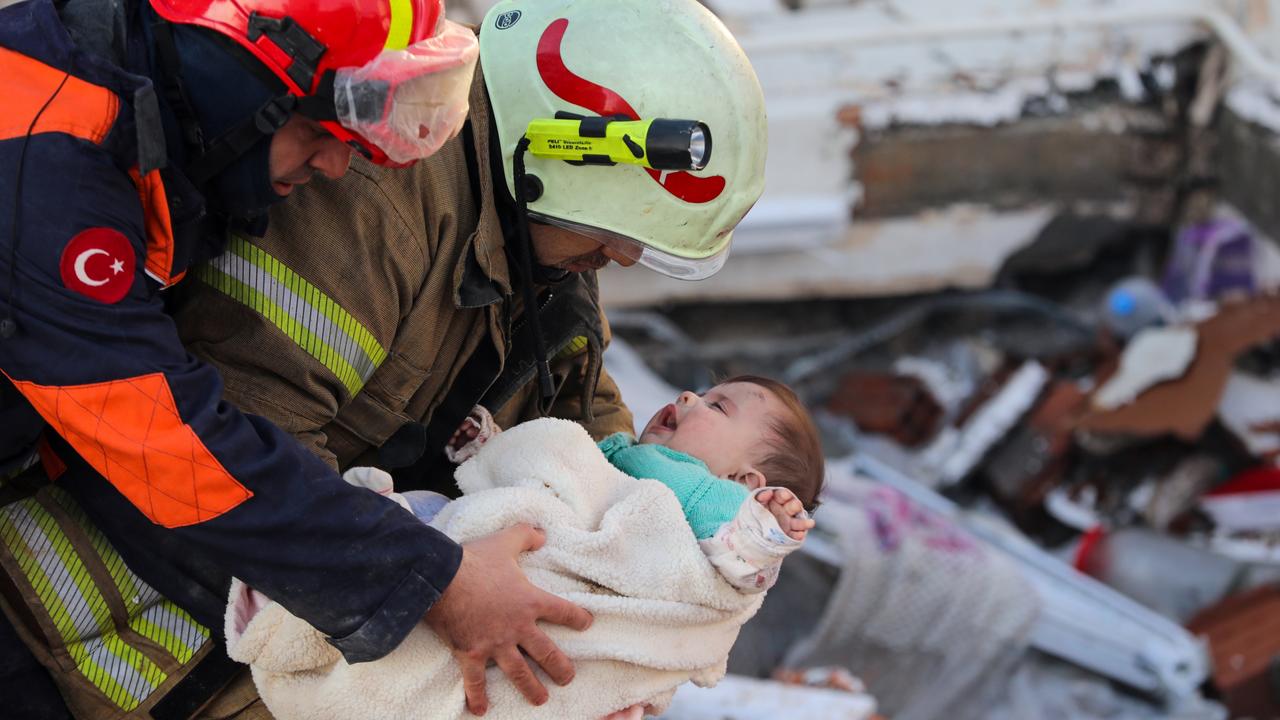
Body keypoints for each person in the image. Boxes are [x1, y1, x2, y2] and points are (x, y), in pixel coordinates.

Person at [167, 0, 768, 714]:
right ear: (563, 149)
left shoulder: (544, 226)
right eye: (615, 237)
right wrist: (440, 582)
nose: (625, 257)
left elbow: (582, 417)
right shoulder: (376, 202)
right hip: (139, 647)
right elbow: (237, 443)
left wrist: (666, 573)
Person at [0, 0, 596, 717]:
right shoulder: (48, 168)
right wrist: (433, 582)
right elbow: (166, 444)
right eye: (315, 127)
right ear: (228, 75)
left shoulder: (136, 115)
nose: (337, 163)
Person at [225, 377, 825, 719]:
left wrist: (765, 529)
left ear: (748, 482)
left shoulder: (711, 500)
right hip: (528, 551)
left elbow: (740, 566)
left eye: (717, 407)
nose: (691, 397)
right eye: (701, 390)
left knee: (439, 547)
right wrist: (495, 447)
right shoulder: (623, 458)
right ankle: (354, 553)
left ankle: (302, 604)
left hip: (566, 590)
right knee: (441, 529)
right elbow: (556, 471)